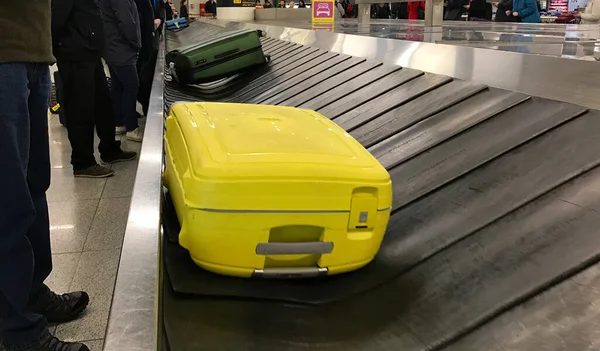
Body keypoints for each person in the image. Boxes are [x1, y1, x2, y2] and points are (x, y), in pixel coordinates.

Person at [0, 2, 92, 351]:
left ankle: (31, 293)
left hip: (35, 51)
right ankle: (19, 331)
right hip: (4, 52)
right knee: (7, 197)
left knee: (33, 185)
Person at [52, 0, 138, 178]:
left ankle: (109, 149)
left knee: (102, 104)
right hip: (75, 53)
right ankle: (82, 162)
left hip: (91, 52)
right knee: (80, 109)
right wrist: (60, 48)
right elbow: (56, 19)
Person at [99, 0, 144, 142]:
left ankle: (119, 122)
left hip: (111, 47)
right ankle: (131, 128)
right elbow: (126, 22)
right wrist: (136, 43)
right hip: (122, 49)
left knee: (118, 86)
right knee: (131, 85)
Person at [137, 0, 164, 117]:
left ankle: (147, 107)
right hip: (141, 42)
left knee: (147, 75)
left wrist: (159, 20)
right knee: (141, 77)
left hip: (151, 40)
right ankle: (144, 106)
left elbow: (160, 12)